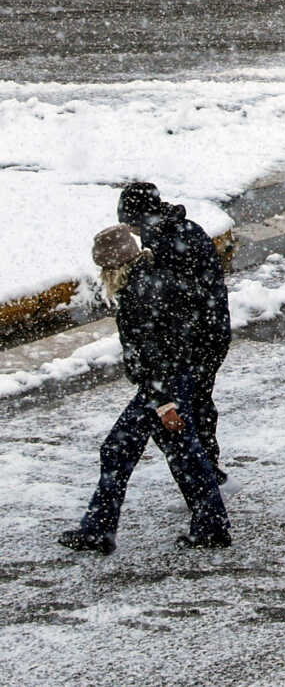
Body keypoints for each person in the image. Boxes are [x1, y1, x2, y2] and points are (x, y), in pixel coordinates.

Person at [59, 225, 231, 553]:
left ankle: (101, 530)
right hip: (169, 384)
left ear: (114, 267)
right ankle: (209, 525)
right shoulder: (153, 281)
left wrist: (165, 403)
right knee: (180, 456)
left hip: (162, 389)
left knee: (135, 452)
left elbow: (156, 351)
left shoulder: (140, 294)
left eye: (104, 269)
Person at [117, 182, 230, 478]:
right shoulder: (185, 227)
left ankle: (204, 477)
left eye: (130, 223)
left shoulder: (160, 241)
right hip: (213, 330)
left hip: (194, 340)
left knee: (182, 411)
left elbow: (170, 303)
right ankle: (207, 469)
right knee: (200, 401)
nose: (132, 232)